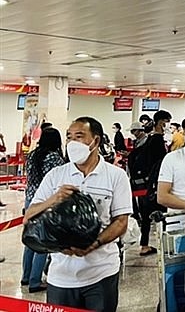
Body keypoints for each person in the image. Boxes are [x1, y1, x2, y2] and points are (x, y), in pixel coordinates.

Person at [24, 117, 132, 312]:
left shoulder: (116, 176)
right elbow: (29, 215)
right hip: (60, 275)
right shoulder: (56, 175)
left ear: (96, 141)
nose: (72, 143)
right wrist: (54, 199)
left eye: (79, 137)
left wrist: (94, 244)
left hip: (101, 272)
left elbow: (121, 221)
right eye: (69, 137)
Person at [22, 127, 65, 293]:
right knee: (43, 241)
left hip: (30, 200)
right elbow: (56, 182)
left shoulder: (33, 155)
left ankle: (26, 276)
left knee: (31, 240)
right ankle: (35, 281)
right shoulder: (54, 158)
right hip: (45, 201)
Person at [129, 110, 171, 256]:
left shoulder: (149, 139)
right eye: (167, 121)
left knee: (146, 216)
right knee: (163, 215)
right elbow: (162, 163)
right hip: (154, 185)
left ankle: (145, 245)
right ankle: (165, 245)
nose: (168, 125)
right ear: (161, 122)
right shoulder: (157, 140)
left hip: (143, 185)